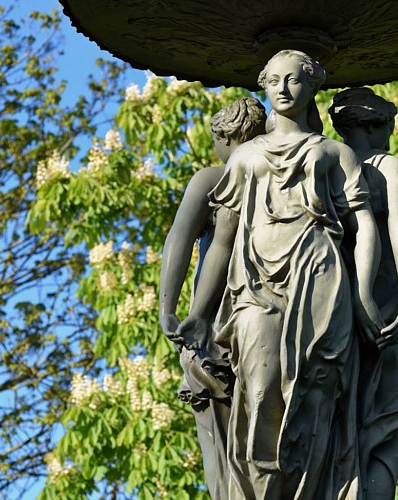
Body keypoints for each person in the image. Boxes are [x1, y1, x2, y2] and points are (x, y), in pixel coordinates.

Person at [174, 50, 383, 499]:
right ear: (263, 87)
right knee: (258, 390)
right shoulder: (246, 158)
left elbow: (364, 228)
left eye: (294, 80)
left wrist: (364, 294)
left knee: (317, 393)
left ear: (313, 87)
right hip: (255, 287)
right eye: (274, 81)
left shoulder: (334, 153)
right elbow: (224, 242)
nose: (284, 89)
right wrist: (199, 310)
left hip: (321, 280)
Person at [159, 96, 267, 500]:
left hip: (215, 316)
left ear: (223, 136)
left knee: (215, 433)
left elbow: (179, 240)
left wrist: (166, 307)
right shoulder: (278, 176)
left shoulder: (213, 178)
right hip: (269, 311)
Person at [329, 87, 398, 499]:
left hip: (335, 306)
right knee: (383, 431)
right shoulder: (386, 165)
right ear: (375, 124)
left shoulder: (325, 163)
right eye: (389, 124)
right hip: (382, 306)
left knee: (341, 423)